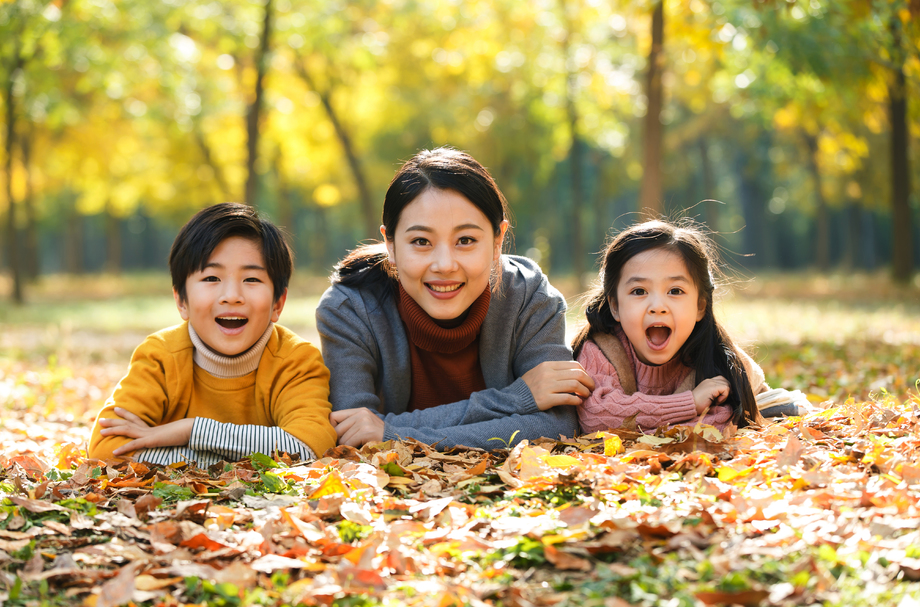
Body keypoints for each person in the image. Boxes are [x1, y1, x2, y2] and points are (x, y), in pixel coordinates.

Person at [316, 147, 594, 450]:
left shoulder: (527, 296)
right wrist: (518, 398)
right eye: (421, 241)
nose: (445, 265)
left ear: (497, 240)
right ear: (391, 245)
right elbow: (354, 434)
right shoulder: (349, 310)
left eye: (466, 240)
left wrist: (391, 432)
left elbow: (557, 424)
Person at [88, 202, 337, 465]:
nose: (231, 296)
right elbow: (107, 449)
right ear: (181, 300)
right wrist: (219, 458)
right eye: (211, 279)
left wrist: (192, 430)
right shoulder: (160, 357)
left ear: (278, 303)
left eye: (251, 279)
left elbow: (309, 447)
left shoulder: (296, 361)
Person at [572, 219, 805, 434]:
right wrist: (690, 403)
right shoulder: (600, 350)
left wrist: (636, 429)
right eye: (639, 291)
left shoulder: (717, 357)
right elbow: (596, 416)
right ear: (615, 306)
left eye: (675, 291)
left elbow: (726, 420)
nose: (658, 306)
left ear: (700, 306)